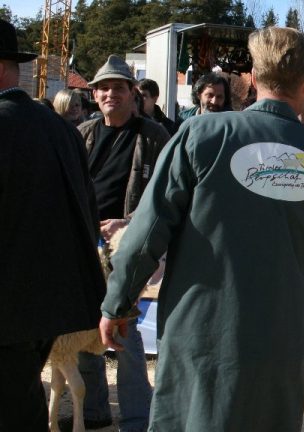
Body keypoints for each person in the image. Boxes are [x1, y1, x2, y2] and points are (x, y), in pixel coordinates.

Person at [98, 27, 304, 431]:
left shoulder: (200, 135)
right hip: (280, 337)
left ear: (251, 78)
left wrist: (118, 303)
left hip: (199, 332)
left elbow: (146, 232)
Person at [0, 19, 105, 431]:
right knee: (21, 396)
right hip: (53, 303)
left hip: (9, 304)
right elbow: (87, 207)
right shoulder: (62, 130)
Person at [72, 54, 171, 432]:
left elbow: (168, 196)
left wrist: (128, 223)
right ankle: (94, 412)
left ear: (134, 93)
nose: (110, 93)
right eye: (103, 88)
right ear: (94, 96)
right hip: (87, 245)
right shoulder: (83, 133)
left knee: (126, 339)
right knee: (85, 331)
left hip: (131, 247)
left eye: (118, 87)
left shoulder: (154, 136)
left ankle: (136, 421)